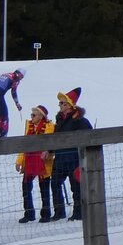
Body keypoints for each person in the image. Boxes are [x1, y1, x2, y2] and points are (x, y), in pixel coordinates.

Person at [48, 88, 91, 221]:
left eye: (62, 103)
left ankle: (78, 213)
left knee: (76, 187)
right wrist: (49, 150)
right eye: (60, 103)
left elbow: (90, 136)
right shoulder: (59, 120)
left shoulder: (80, 120)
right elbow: (55, 138)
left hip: (74, 159)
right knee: (55, 184)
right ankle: (59, 212)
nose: (60, 105)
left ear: (70, 105)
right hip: (60, 159)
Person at [15, 105, 54, 222]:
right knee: (26, 187)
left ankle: (46, 214)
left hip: (42, 162)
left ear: (41, 116)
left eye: (34, 115)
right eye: (31, 115)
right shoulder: (29, 126)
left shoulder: (49, 126)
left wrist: (46, 151)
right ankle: (29, 213)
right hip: (29, 160)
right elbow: (24, 144)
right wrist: (19, 161)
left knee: (44, 188)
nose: (31, 117)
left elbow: (48, 142)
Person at [0, 68, 25, 138]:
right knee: (4, 119)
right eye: (22, 77)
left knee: (0, 118)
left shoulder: (5, 74)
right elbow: (13, 92)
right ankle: (3, 138)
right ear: (20, 74)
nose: (21, 79)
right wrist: (17, 104)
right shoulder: (15, 78)